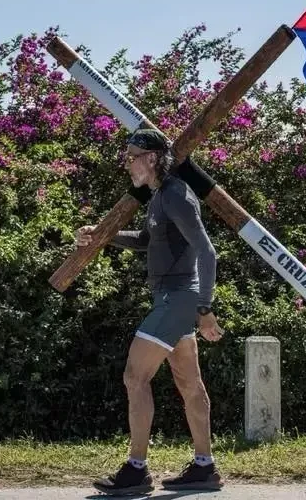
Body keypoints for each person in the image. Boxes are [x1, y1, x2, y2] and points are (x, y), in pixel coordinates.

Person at [76, 128, 224, 495]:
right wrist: (103, 235)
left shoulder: (176, 194)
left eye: (132, 157)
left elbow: (207, 253)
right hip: (170, 298)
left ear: (154, 158)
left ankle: (136, 470)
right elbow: (146, 241)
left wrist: (205, 308)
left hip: (180, 298)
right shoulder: (159, 197)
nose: (127, 164)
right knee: (189, 383)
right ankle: (205, 468)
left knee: (134, 376)